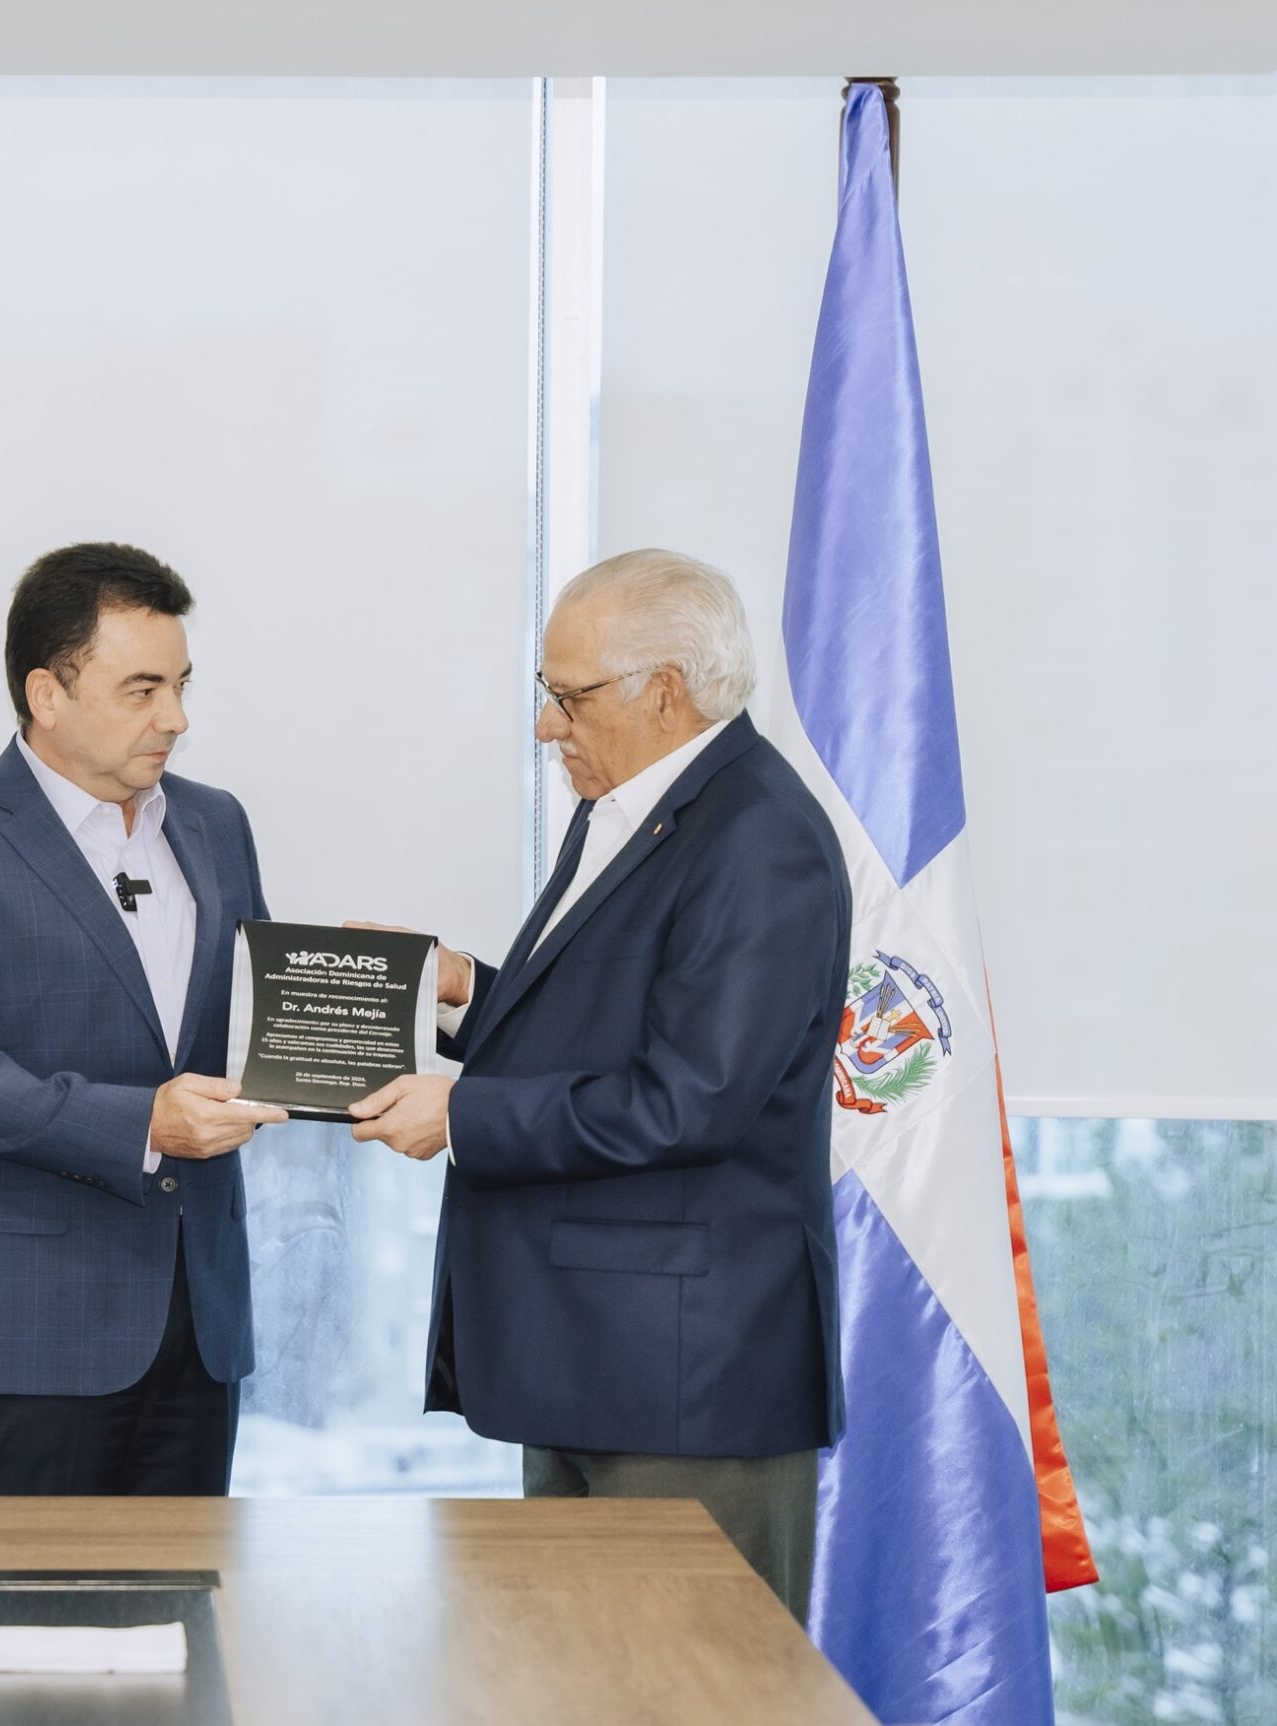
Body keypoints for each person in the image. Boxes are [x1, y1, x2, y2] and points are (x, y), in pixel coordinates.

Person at [348, 549, 850, 1620]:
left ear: (664, 691)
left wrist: (462, 1115)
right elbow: (603, 1032)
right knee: (573, 1681)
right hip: (589, 1359)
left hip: (687, 1387)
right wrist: (459, 987)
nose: (546, 725)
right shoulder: (632, 808)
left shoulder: (760, 840)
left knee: (693, 1687)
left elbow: (690, 1099)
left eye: (568, 697)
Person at [0, 542, 286, 1497]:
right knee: (22, 1594)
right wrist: (147, 1123)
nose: (176, 718)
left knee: (189, 1592)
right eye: (142, 690)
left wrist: (369, 1015)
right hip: (29, 1334)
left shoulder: (217, 824)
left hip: (201, 1321)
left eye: (181, 685)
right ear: (46, 695)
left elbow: (251, 1029)